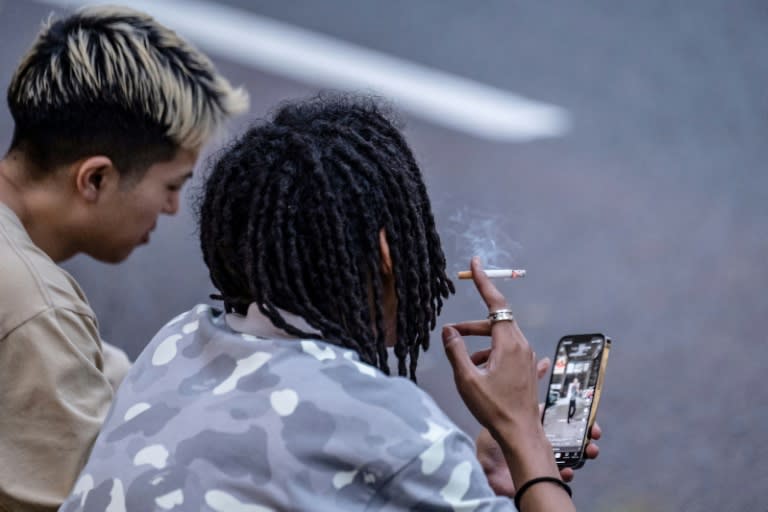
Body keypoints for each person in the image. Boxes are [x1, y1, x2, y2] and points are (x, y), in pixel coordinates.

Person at [60, 95, 597, 511]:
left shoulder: (178, 340)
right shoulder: (386, 424)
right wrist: (525, 433)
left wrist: (475, 468)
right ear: (388, 252)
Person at [0, 5, 248, 511]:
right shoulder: (35, 308)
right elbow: (91, 501)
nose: (173, 207)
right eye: (171, 185)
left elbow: (111, 376)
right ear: (95, 178)